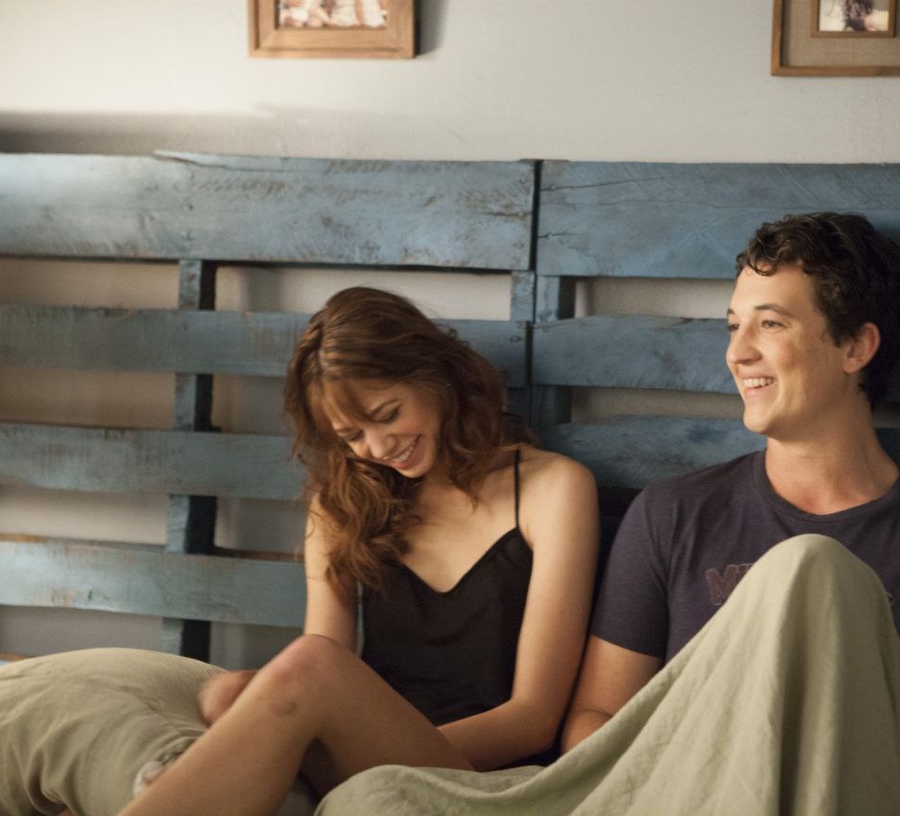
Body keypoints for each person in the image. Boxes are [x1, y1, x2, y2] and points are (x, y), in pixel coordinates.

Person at [561, 213, 900, 815]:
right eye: (734, 326)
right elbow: (597, 719)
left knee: (815, 566)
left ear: (855, 347)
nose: (737, 353)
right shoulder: (672, 514)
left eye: (770, 324)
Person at [119, 286, 599, 815]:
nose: (378, 447)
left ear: (434, 374)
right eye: (352, 435)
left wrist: (363, 760)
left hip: (483, 772)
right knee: (227, 692)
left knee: (304, 666)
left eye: (388, 414)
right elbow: (324, 666)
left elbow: (533, 719)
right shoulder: (342, 507)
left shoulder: (554, 488)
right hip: (364, 763)